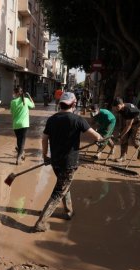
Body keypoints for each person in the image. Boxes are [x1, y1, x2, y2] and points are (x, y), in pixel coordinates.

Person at [34, 92, 102, 232]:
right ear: (74, 104)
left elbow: (44, 139)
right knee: (59, 191)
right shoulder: (77, 120)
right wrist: (101, 140)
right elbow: (96, 136)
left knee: (64, 184)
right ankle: (40, 222)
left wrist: (45, 156)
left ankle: (68, 211)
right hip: (69, 163)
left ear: (61, 104)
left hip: (55, 161)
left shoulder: (52, 119)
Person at [112, 97, 140, 162]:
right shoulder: (120, 109)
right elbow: (122, 121)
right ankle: (123, 157)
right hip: (129, 122)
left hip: (138, 122)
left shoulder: (129, 110)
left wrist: (120, 135)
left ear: (122, 104)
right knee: (123, 139)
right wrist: (121, 132)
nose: (116, 108)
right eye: (115, 107)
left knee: (134, 141)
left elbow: (128, 126)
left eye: (117, 106)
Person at [10, 87, 35, 165]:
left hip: (16, 124)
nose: (13, 94)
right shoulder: (26, 100)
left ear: (17, 93)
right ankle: (19, 157)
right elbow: (33, 106)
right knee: (22, 141)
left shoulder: (13, 102)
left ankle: (21, 153)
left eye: (14, 92)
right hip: (24, 124)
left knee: (19, 140)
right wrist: (29, 96)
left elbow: (12, 112)